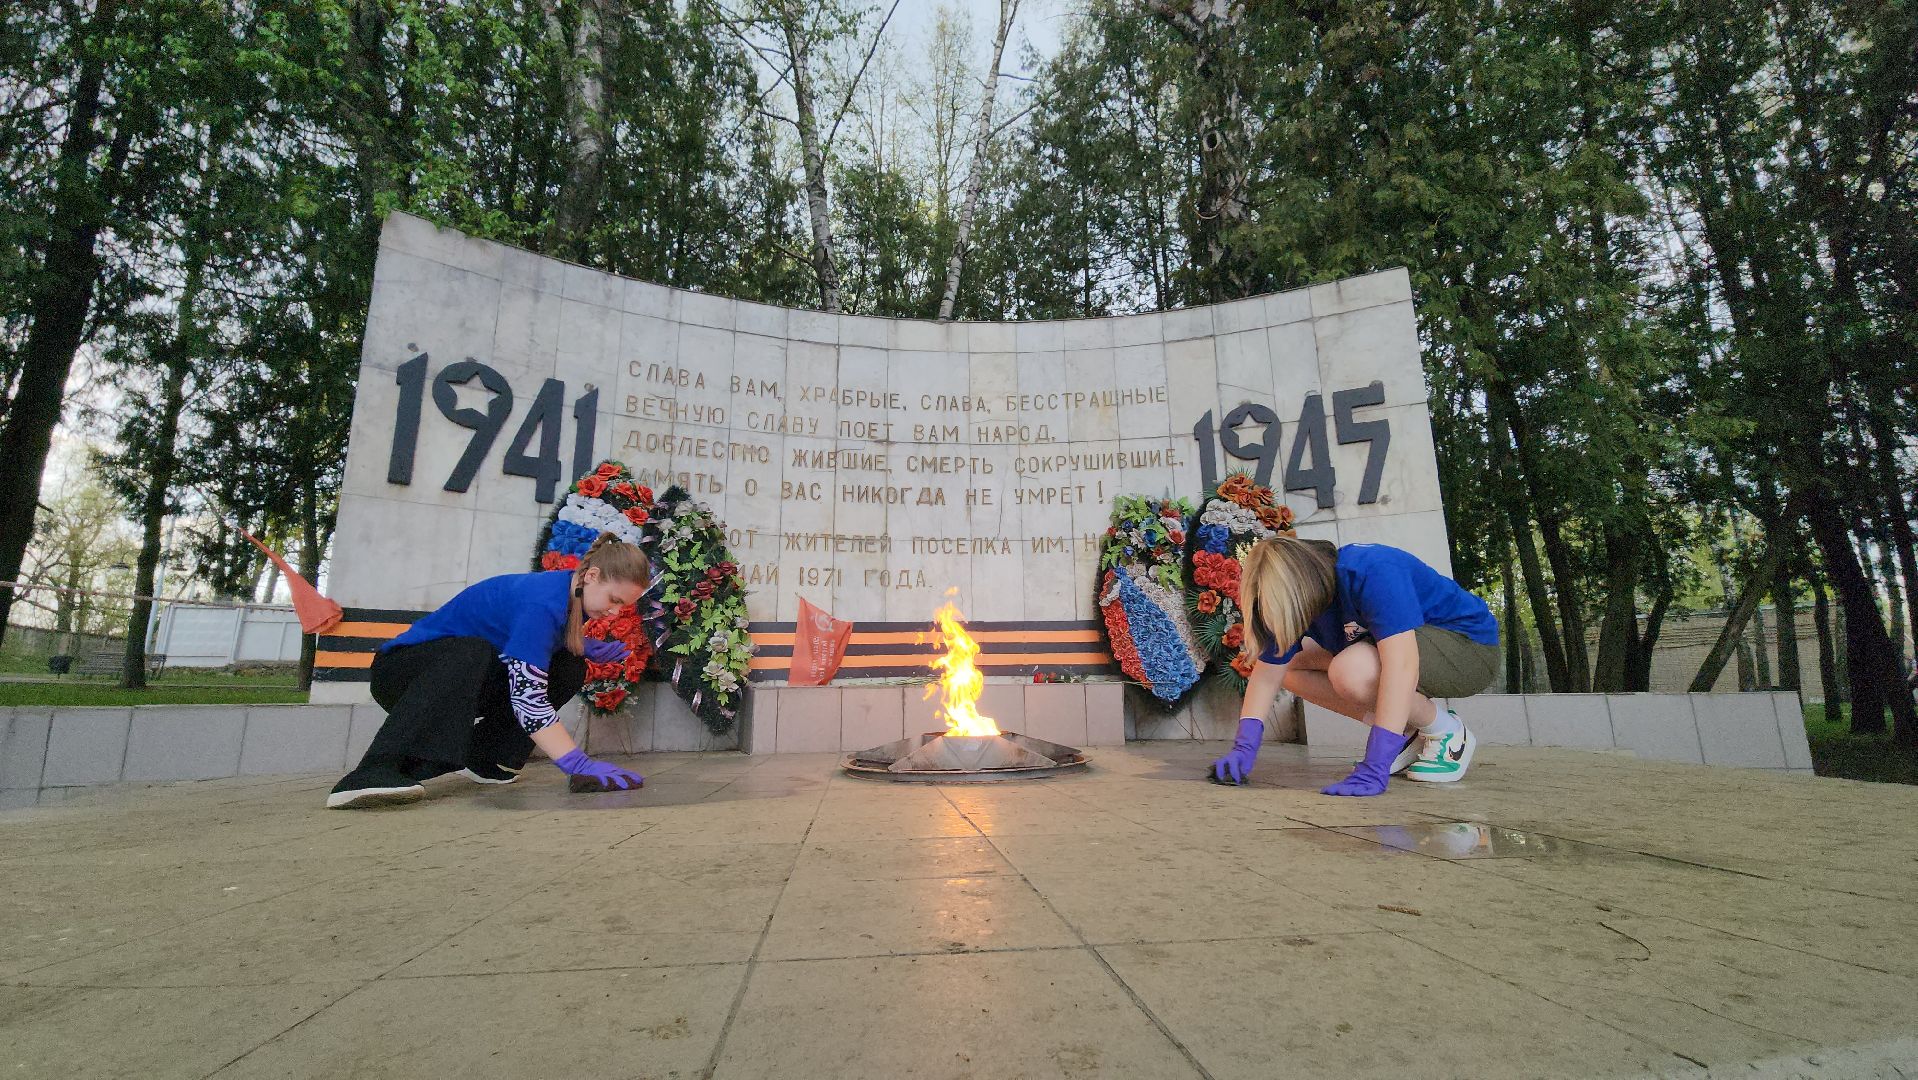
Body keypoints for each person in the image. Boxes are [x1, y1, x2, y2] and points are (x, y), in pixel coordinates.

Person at [328, 532, 649, 809]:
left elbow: (534, 644)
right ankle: (372, 770)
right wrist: (577, 764)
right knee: (474, 650)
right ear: (591, 576)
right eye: (614, 599)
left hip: (462, 676)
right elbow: (528, 698)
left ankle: (489, 757)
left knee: (569, 666)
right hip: (401, 674)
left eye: (623, 606)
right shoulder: (542, 603)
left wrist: (582, 647)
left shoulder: (569, 593)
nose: (614, 612)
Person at [1210, 537, 1500, 796]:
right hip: (1399, 655)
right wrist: (1243, 748)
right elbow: (1266, 675)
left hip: (1469, 651)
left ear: (1301, 589)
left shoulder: (1371, 570)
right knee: (1291, 666)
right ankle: (1405, 734)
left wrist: (1375, 763)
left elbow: (1402, 666)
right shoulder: (1292, 598)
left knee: (1351, 670)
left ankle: (1446, 731)